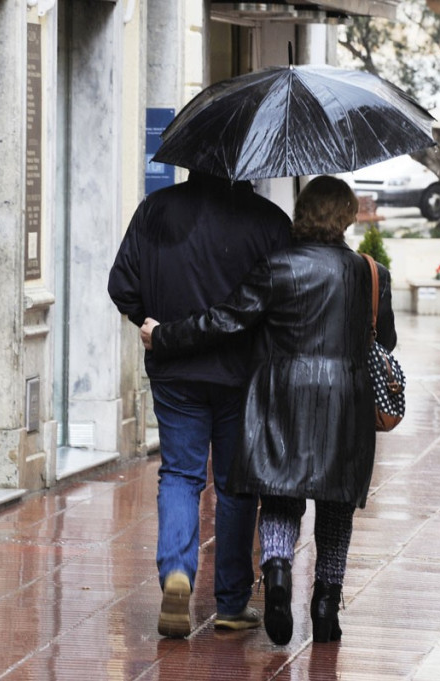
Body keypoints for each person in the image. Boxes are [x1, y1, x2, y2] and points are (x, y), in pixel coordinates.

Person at [140, 175, 396, 646]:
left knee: (280, 494)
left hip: (285, 397)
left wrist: (164, 336)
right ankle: (325, 606)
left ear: (304, 213)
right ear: (346, 216)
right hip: (346, 403)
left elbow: (226, 319)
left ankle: (276, 576)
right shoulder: (370, 272)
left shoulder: (278, 266)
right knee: (336, 506)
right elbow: (386, 340)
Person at [108, 170, 291, 637]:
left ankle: (177, 572)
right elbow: (283, 300)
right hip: (240, 375)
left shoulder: (156, 209)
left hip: (174, 368)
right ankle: (230, 603)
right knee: (235, 486)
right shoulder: (269, 221)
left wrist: (152, 323)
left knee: (180, 474)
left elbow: (121, 285)